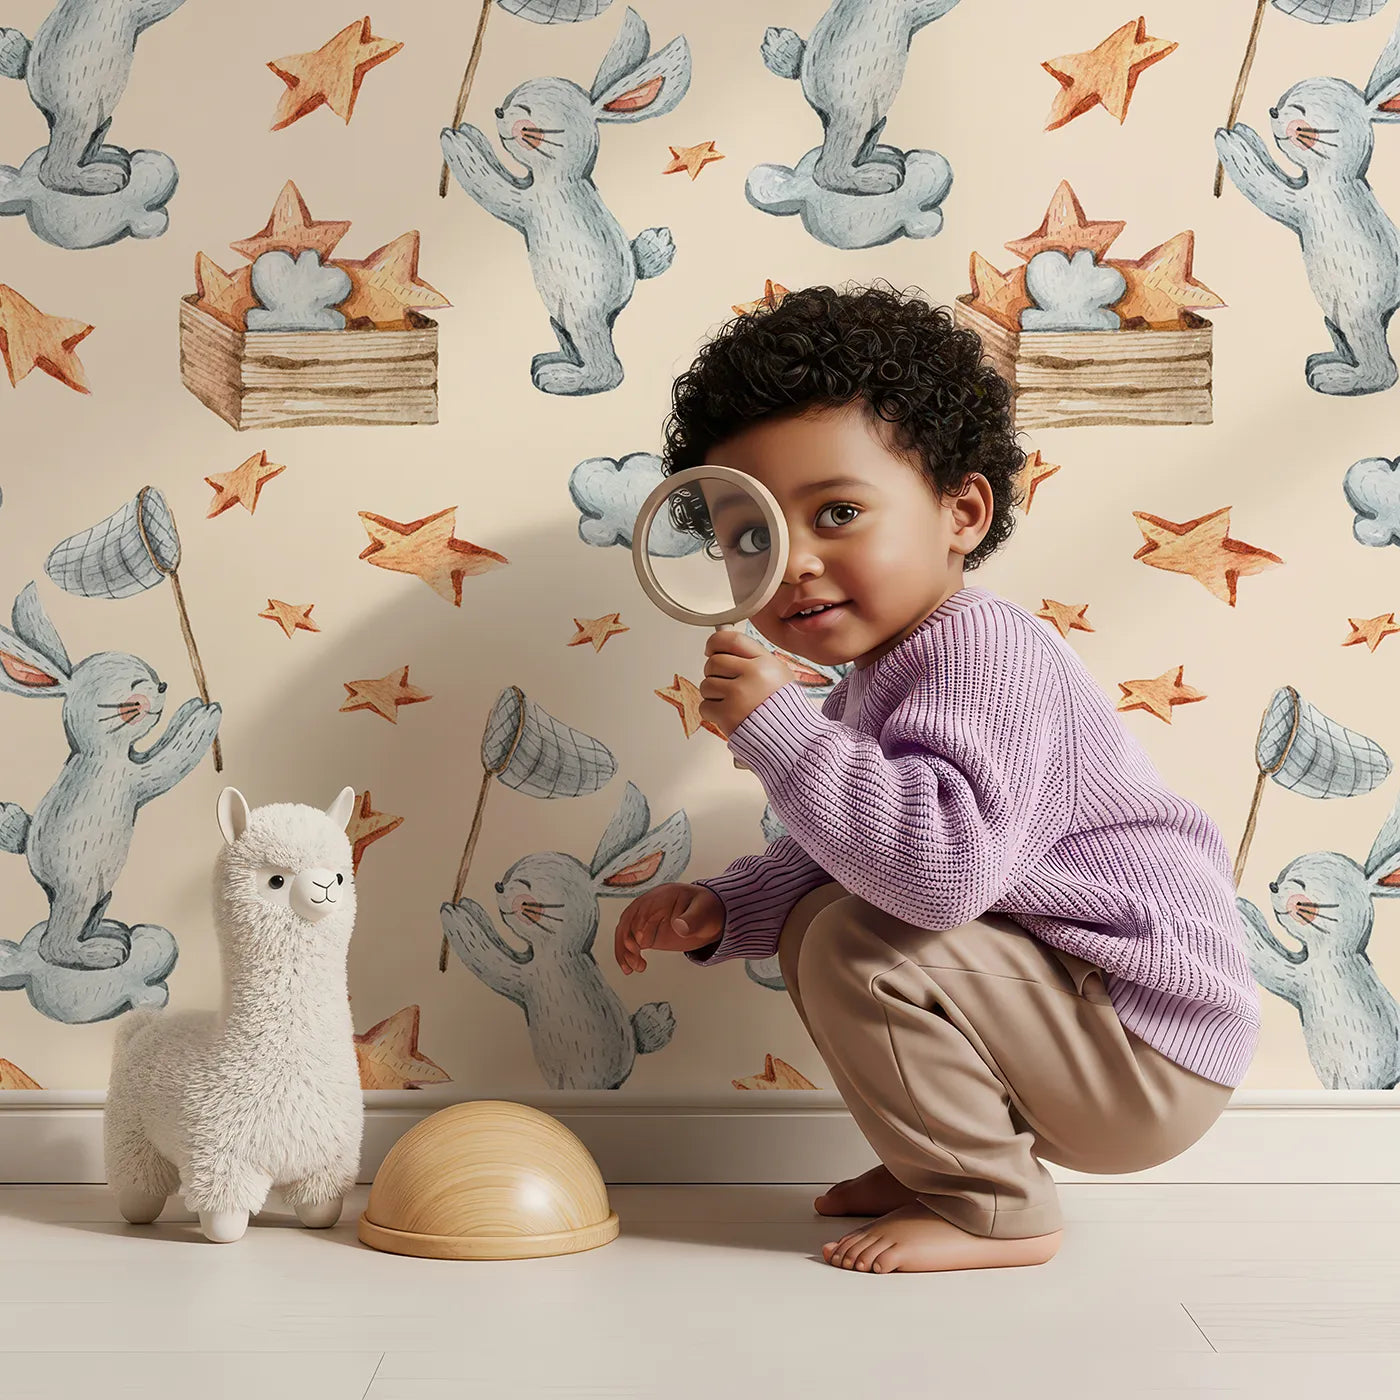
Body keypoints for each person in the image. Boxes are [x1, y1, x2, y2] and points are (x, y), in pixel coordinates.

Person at [613, 282, 1260, 1275]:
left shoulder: (985, 652)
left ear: (961, 511)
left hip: (1147, 1042)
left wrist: (777, 728)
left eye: (836, 512)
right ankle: (943, 1160)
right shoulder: (881, 678)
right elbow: (839, 855)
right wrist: (726, 907)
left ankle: (993, 1205)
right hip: (1076, 1018)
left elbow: (937, 876)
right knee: (820, 919)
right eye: (751, 535)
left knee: (854, 944)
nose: (793, 563)